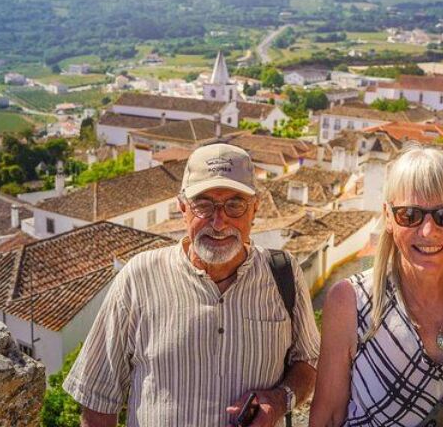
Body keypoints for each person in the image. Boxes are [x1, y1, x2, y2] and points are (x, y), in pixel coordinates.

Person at [63, 143, 320, 427]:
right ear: (183, 208)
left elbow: (309, 360)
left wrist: (282, 399)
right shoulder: (139, 277)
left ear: (255, 209)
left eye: (235, 204)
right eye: (203, 204)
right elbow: (97, 401)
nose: (219, 222)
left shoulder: (283, 274)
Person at [309, 144, 443, 427]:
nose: (428, 231)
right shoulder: (351, 302)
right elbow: (328, 416)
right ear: (388, 217)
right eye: (410, 215)